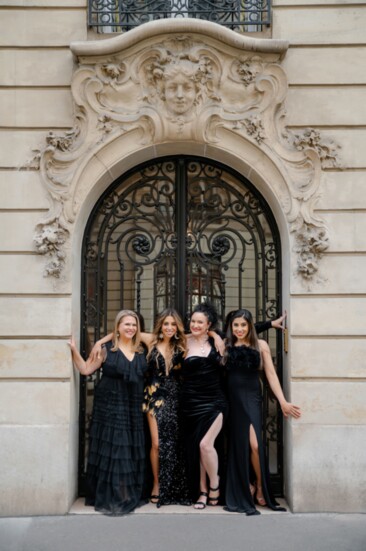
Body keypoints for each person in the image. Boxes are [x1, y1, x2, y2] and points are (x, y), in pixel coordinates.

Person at [68, 310, 147, 515]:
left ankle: (127, 491)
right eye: (126, 324)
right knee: (116, 447)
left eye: (134, 324)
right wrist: (74, 350)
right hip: (110, 404)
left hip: (132, 405)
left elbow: (155, 336)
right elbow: (85, 369)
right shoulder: (106, 350)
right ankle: (117, 494)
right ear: (117, 327)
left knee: (128, 447)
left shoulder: (142, 349)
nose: (131, 328)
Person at [224, 309, 301, 515]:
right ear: (231, 327)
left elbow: (271, 376)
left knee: (255, 445)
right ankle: (244, 486)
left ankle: (259, 484)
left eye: (243, 325)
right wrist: (269, 323)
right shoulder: (225, 344)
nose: (239, 329)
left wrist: (283, 402)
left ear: (249, 326)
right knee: (239, 446)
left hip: (251, 398)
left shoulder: (261, 345)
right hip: (232, 401)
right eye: (235, 325)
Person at [180, 302, 227, 509]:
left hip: (215, 401)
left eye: (200, 322)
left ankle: (214, 484)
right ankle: (202, 492)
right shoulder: (182, 341)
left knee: (205, 445)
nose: (195, 325)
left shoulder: (218, 340)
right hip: (190, 402)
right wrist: (105, 339)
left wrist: (217, 336)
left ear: (209, 325)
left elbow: (248, 329)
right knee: (198, 448)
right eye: (193, 321)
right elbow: (149, 337)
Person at [142, 308, 191, 507]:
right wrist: (100, 344)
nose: (169, 327)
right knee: (157, 443)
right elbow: (116, 332)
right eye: (166, 324)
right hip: (154, 396)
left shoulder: (183, 344)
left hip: (177, 397)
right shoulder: (149, 340)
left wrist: (214, 334)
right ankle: (156, 483)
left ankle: (172, 485)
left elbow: (210, 332)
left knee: (175, 444)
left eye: (173, 324)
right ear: (160, 325)